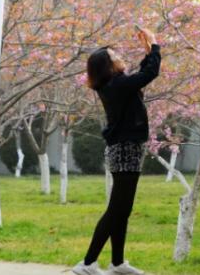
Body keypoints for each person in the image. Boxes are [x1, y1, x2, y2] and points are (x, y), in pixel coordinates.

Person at [73, 26, 161, 275]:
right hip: (125, 150)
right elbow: (149, 73)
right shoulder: (116, 85)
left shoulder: (115, 84)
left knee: (122, 209)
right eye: (114, 56)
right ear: (107, 66)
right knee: (116, 210)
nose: (120, 56)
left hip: (125, 149)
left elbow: (140, 75)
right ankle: (87, 263)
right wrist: (154, 45)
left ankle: (117, 263)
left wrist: (148, 52)